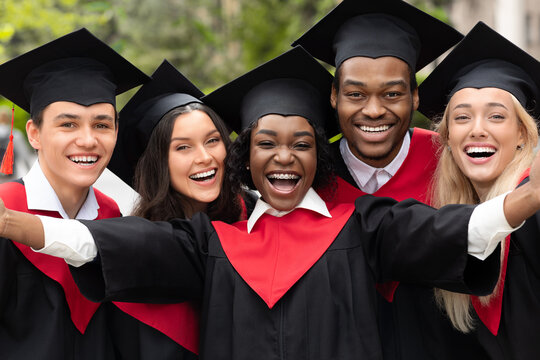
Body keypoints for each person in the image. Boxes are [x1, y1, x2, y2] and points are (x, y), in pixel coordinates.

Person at [2, 46, 538, 360]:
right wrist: (20, 225)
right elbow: (105, 242)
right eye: (266, 144)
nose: (285, 158)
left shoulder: (364, 227)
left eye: (303, 144)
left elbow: (453, 229)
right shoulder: (213, 242)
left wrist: (521, 202)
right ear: (246, 158)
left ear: (319, 159)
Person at [293, 0, 481, 357]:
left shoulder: (455, 164)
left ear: (414, 96)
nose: (374, 109)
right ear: (334, 97)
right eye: (355, 94)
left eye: (393, 93)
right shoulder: (308, 180)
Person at [0, 28, 150, 359]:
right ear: (35, 134)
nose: (87, 140)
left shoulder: (112, 216)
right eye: (68, 124)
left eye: (101, 124)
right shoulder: (6, 211)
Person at [103, 59, 251, 359]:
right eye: (182, 147)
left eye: (213, 141)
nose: (205, 157)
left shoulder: (258, 219)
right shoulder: (136, 252)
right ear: (158, 162)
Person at [419, 22, 540, 360]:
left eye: (496, 116)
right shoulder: (452, 218)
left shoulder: (535, 203)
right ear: (446, 138)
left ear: (522, 134)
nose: (477, 130)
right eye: (461, 118)